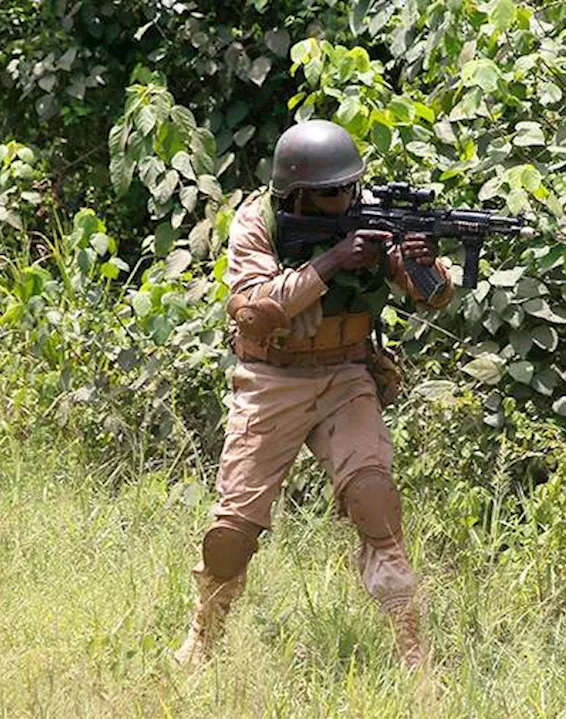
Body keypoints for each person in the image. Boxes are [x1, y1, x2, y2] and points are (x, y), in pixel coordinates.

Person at [175, 119, 455, 667]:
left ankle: (413, 655)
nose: (346, 198)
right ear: (296, 194)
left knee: (375, 500)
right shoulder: (260, 223)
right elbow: (253, 311)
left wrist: (418, 265)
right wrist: (331, 262)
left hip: (346, 375)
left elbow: (436, 297)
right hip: (270, 380)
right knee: (233, 529)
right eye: (331, 193)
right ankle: (202, 638)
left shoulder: (371, 215)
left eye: (350, 186)